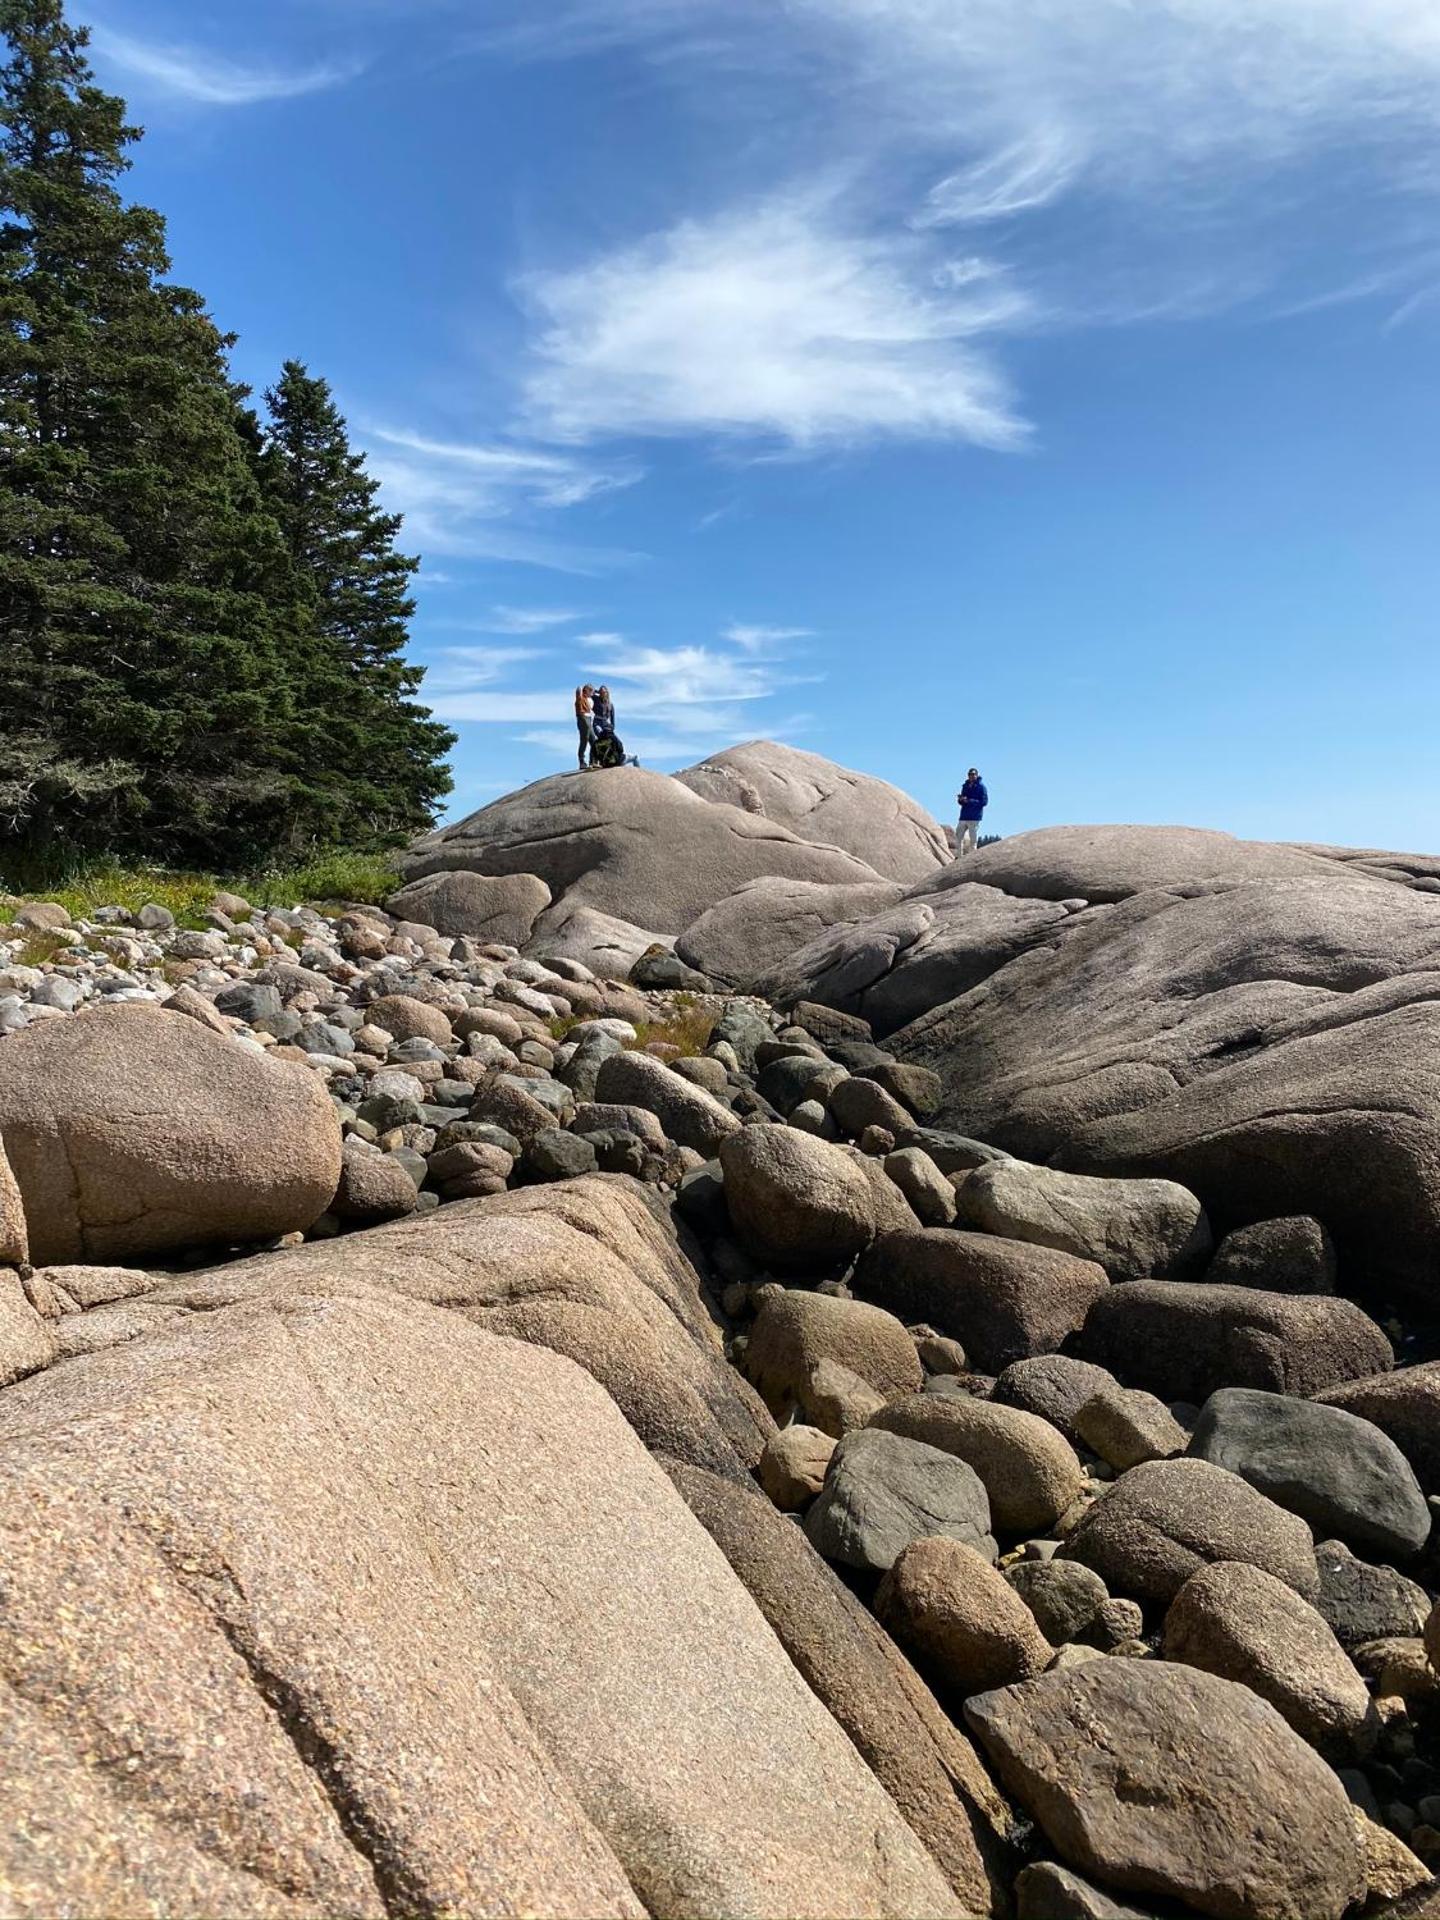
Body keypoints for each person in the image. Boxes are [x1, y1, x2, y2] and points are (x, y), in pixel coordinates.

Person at [956, 768, 988, 856]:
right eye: (970, 774)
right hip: (964, 815)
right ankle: (958, 856)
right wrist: (961, 800)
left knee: (972, 838)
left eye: (973, 774)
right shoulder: (965, 786)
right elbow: (962, 801)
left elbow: (984, 802)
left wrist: (969, 801)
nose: (971, 776)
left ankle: (972, 856)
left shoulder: (981, 787)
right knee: (958, 836)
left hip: (974, 817)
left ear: (977, 775)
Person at [574, 683, 594, 769]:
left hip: (589, 719)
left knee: (593, 740)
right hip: (582, 718)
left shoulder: (589, 699)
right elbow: (578, 689)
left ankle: (592, 761)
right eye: (591, 691)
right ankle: (582, 761)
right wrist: (584, 688)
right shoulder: (580, 697)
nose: (592, 693)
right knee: (584, 740)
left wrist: (594, 691)